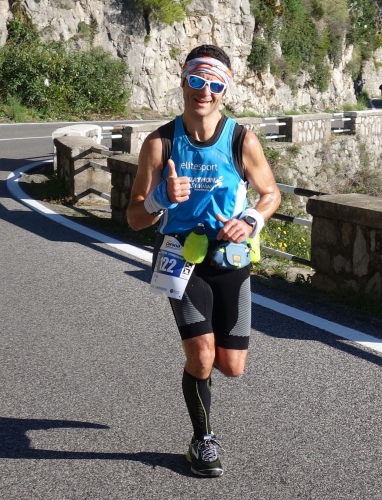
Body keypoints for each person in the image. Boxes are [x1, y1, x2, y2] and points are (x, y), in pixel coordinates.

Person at [126, 44, 281, 477]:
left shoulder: (241, 140)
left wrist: (251, 219)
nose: (204, 91)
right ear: (183, 80)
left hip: (230, 258)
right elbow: (135, 218)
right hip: (179, 256)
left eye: (215, 84)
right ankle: (203, 439)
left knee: (232, 367)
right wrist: (159, 198)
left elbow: (270, 194)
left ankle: (204, 381)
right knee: (201, 355)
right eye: (197, 80)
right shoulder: (160, 143)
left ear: (225, 89)